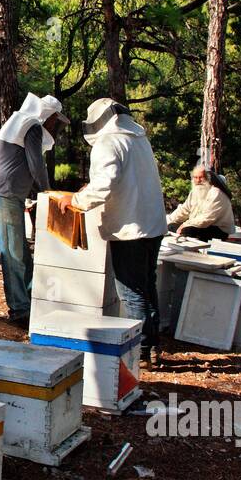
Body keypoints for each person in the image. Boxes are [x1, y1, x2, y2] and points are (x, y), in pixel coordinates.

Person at [72, 99, 167, 363]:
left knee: (131, 292)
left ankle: (142, 351)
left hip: (130, 228)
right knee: (147, 286)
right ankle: (154, 345)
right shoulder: (139, 140)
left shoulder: (109, 142)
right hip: (153, 225)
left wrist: (77, 201)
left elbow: (104, 185)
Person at [0, 92, 65, 329]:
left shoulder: (20, 123)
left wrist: (33, 195)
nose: (55, 126)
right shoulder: (33, 126)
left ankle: (30, 303)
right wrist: (49, 193)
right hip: (4, 196)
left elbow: (16, 165)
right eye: (55, 120)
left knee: (20, 254)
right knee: (14, 255)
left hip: (5, 196)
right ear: (48, 115)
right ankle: (20, 310)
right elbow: (36, 165)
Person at [167, 164, 236, 241]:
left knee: (187, 231)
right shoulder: (195, 191)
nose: (198, 180)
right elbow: (184, 210)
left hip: (218, 229)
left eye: (201, 177)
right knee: (171, 226)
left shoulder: (216, 193)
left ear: (207, 178)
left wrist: (185, 225)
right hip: (198, 225)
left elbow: (207, 218)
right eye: (195, 177)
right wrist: (168, 221)